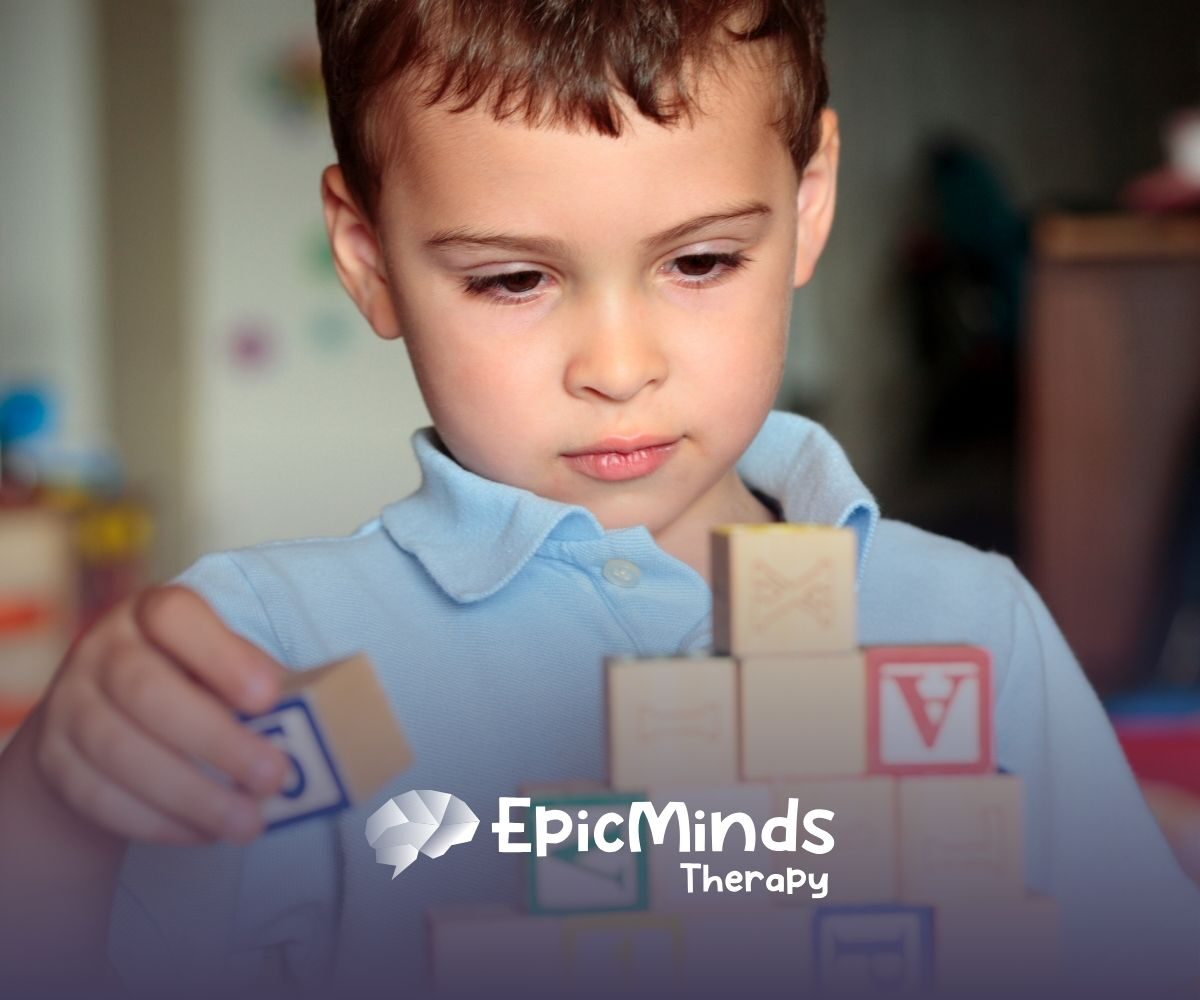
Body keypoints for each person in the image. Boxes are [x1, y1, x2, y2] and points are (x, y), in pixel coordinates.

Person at [0, 1, 1197, 996]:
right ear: (368, 260)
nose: (618, 368)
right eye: (515, 278)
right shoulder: (256, 649)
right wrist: (58, 794)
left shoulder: (976, 628)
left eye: (700, 262)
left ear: (808, 206)